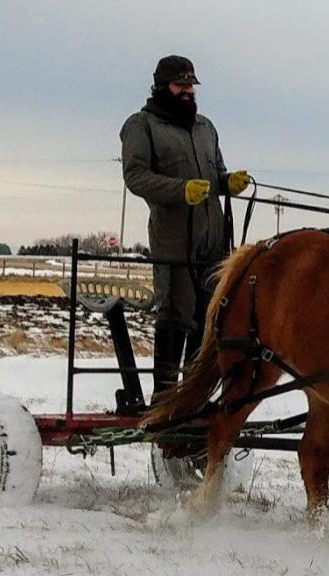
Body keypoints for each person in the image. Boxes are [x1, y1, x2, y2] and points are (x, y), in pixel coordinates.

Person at [120, 55, 252, 401]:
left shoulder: (205, 127)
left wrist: (228, 183)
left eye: (191, 85)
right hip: (173, 239)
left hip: (212, 240)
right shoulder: (141, 125)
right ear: (162, 86)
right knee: (177, 315)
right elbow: (135, 176)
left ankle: (194, 396)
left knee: (207, 318)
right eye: (181, 85)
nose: (187, 91)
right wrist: (180, 190)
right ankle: (165, 398)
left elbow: (216, 175)